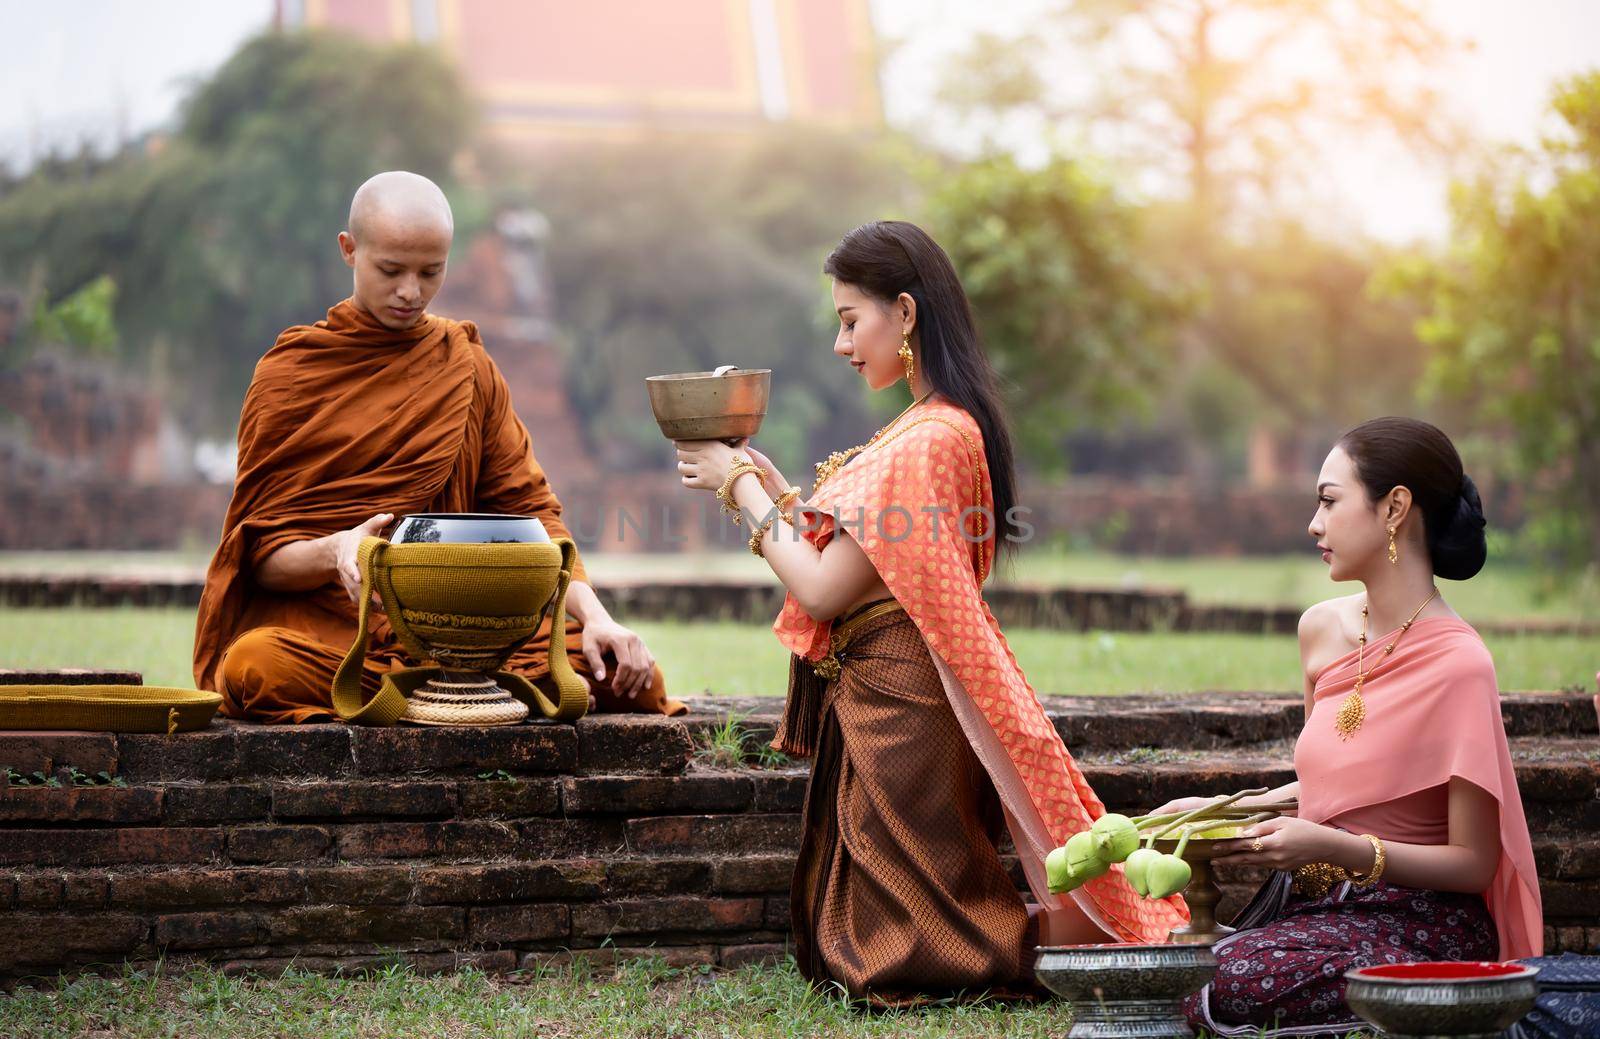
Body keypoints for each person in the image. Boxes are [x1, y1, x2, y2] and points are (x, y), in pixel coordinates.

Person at [673, 220, 1185, 1006]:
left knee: (913, 926)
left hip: (902, 699)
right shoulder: (935, 425)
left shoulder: (928, 435)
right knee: (902, 898)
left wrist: (735, 486)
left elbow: (822, 588)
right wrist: (770, 488)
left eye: (852, 320)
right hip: (892, 688)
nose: (843, 345)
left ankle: (1021, 957)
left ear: (905, 313)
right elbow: (866, 561)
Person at [194, 170, 683, 723]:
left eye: (431, 271)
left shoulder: (466, 367)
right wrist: (337, 551)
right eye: (390, 270)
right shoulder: (289, 377)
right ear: (349, 250)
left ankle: (429, 692)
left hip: (463, 630)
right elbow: (260, 558)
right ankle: (461, 694)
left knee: (629, 675)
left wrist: (596, 616)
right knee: (255, 668)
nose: (411, 291)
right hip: (337, 633)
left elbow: (530, 515)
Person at [1160, 416, 1542, 1036]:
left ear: (1394, 508)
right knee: (1174, 964)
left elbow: (1473, 864)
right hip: (1319, 906)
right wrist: (1221, 808)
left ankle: (1419, 995)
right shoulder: (1321, 631)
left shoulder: (1460, 663)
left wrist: (1340, 851)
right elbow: (1332, 795)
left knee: (1213, 980)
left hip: (1417, 919)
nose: (1314, 524)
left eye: (1329, 501)